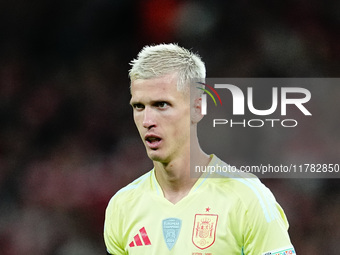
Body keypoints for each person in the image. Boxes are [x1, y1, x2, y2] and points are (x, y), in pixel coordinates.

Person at [104, 43, 296, 254]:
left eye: (161, 105)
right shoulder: (122, 207)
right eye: (139, 107)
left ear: (198, 108)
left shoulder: (247, 199)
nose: (147, 120)